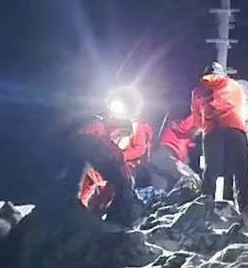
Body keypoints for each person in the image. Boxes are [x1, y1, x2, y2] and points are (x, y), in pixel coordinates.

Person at [74, 87, 152, 225]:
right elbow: (112, 152)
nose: (118, 138)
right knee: (119, 185)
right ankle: (113, 221)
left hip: (81, 159)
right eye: (119, 135)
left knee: (98, 187)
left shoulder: (101, 135)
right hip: (87, 156)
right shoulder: (98, 129)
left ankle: (91, 217)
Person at [190, 62, 248, 210]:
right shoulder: (234, 86)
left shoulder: (198, 90)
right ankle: (246, 207)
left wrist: (203, 127)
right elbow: (244, 109)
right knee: (241, 169)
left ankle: (205, 208)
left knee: (212, 169)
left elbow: (197, 117)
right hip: (235, 128)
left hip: (212, 131)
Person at [148, 113, 201, 192]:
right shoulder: (180, 128)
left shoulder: (188, 141)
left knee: (194, 180)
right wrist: (202, 120)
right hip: (166, 155)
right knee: (190, 180)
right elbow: (188, 124)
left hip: (170, 160)